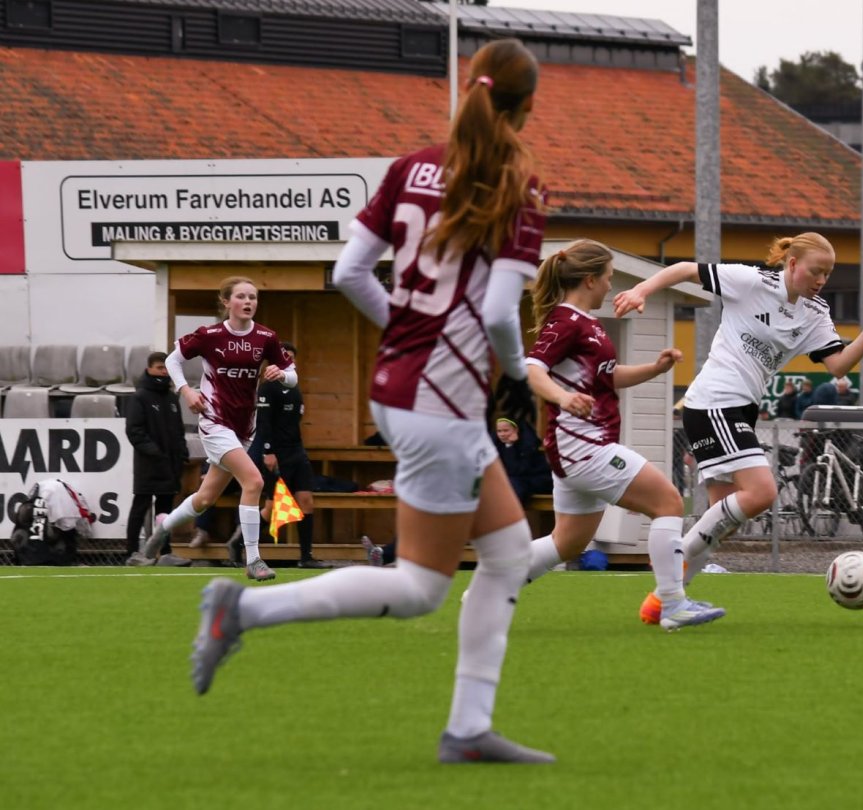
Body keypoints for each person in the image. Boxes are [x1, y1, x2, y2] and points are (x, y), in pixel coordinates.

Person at [188, 39, 554, 765]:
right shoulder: (520, 185)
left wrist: (408, 331)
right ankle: (245, 608)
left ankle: (469, 728)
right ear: (526, 108)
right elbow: (500, 315)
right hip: (442, 402)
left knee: (510, 551)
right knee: (420, 587)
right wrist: (518, 375)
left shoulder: (410, 167)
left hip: (401, 386)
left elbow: (350, 272)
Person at [614, 232, 863, 623]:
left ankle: (662, 604)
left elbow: (838, 366)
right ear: (792, 264)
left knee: (724, 522)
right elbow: (683, 269)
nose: (821, 280)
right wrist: (641, 290)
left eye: (828, 273)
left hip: (739, 409)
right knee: (762, 492)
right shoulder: (752, 281)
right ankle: (673, 567)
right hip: (715, 401)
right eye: (815, 271)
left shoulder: (815, 312)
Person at [521, 239, 725, 630]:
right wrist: (563, 398)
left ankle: (491, 586)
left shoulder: (587, 324)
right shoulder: (565, 321)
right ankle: (673, 604)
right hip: (584, 448)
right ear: (590, 279)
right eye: (608, 278)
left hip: (579, 450)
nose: (610, 285)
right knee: (668, 502)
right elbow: (533, 369)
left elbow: (607, 377)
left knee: (568, 542)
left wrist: (655, 368)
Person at [141, 277, 295, 581]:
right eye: (241, 296)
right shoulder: (210, 335)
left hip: (244, 427)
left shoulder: (266, 337)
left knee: (205, 498)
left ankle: (163, 527)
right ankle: (254, 560)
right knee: (253, 481)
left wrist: (282, 375)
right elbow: (172, 360)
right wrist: (186, 391)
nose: (248, 302)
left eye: (253, 297)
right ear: (226, 302)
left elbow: (292, 376)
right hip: (214, 421)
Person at [251, 341, 329, 569]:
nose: (288, 361)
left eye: (292, 358)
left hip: (297, 452)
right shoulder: (267, 388)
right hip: (277, 454)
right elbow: (264, 423)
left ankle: (306, 557)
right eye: (285, 357)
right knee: (272, 507)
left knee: (306, 501)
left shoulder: (294, 387)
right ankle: (238, 543)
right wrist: (268, 451)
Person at [124, 351, 190, 567]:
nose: (164, 372)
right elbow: (134, 431)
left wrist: (182, 452)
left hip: (170, 465)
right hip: (148, 464)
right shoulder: (139, 397)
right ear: (149, 369)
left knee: (166, 510)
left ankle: (165, 552)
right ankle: (132, 553)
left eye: (166, 368)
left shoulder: (172, 398)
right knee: (140, 506)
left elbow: (179, 430)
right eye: (160, 368)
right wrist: (154, 453)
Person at [492, 417, 552, 505]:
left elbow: (516, 470)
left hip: (537, 479)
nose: (502, 434)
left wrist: (510, 445)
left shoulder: (528, 445)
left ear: (516, 430)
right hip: (517, 480)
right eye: (499, 431)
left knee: (513, 485)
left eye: (506, 430)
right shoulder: (498, 445)